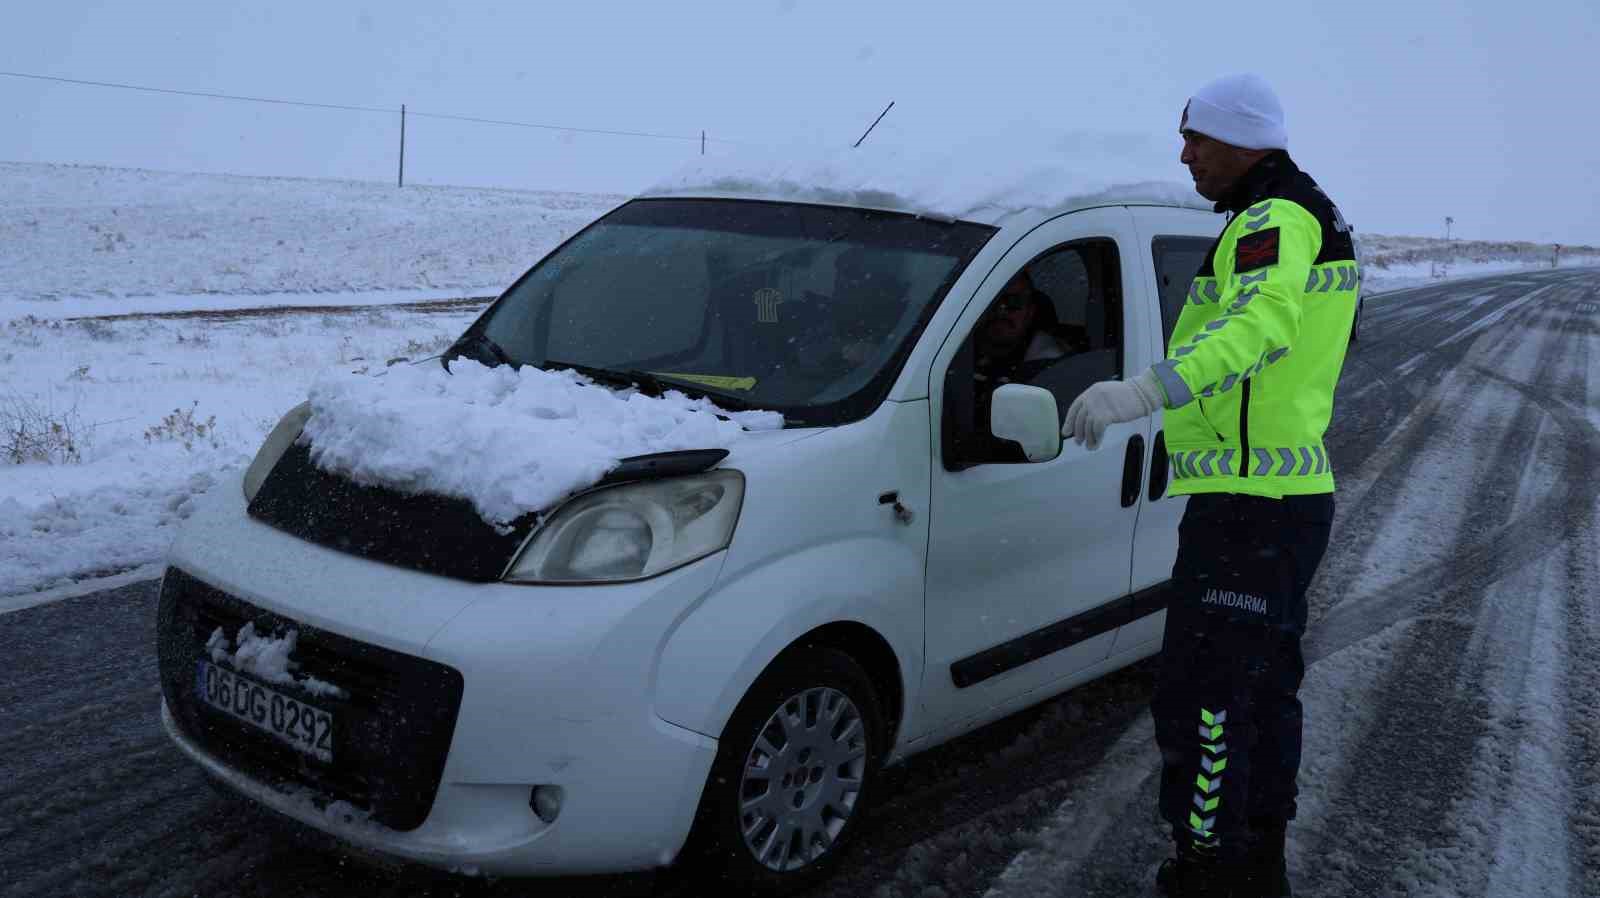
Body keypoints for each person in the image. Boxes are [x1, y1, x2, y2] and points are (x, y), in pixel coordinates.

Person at [1062, 73, 1359, 898]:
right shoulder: (1295, 212)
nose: (1184, 154)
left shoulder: (1274, 219)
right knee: (1259, 692)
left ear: (1245, 141)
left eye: (1198, 139)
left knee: (1207, 699)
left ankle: (1206, 872)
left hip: (1252, 508)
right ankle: (1255, 864)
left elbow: (1260, 327)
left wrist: (1145, 391)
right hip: (1274, 503)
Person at [972, 270, 1083, 460]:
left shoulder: (1049, 367)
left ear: (1030, 312)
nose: (1001, 310)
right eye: (993, 302)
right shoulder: (954, 351)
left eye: (1013, 302)